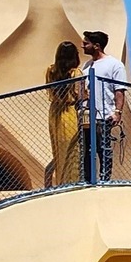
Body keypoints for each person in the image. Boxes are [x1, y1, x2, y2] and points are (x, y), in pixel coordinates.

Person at [82, 30, 131, 181]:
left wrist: (117, 111)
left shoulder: (114, 65)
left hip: (104, 115)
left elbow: (119, 91)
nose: (83, 46)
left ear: (96, 46)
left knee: (103, 149)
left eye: (86, 43)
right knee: (86, 151)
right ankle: (88, 179)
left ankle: (105, 179)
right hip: (86, 116)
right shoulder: (87, 65)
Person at [46, 42, 87, 185]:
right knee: (73, 150)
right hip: (69, 111)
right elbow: (79, 94)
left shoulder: (50, 71)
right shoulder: (76, 73)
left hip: (55, 112)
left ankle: (60, 181)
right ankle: (71, 182)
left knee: (58, 150)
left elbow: (50, 91)